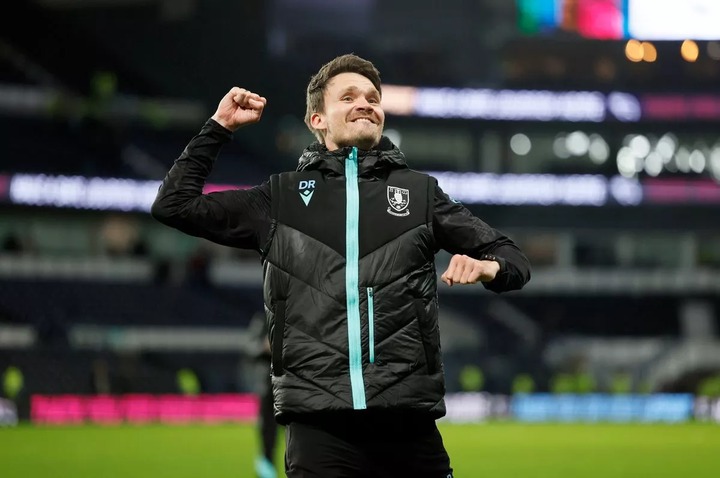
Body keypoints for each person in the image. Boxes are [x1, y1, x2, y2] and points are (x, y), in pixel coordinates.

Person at [152, 53, 531, 478]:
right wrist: (219, 128)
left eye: (373, 97)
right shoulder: (278, 200)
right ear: (317, 120)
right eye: (348, 97)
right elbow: (174, 206)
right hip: (319, 429)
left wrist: (488, 269)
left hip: (408, 425)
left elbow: (512, 257)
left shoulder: (420, 195)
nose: (365, 103)